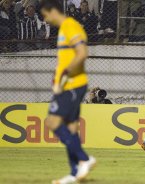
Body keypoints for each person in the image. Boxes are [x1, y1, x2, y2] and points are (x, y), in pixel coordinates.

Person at [39, 0, 96, 183]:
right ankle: (74, 173)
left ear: (52, 11)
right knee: (71, 128)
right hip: (67, 84)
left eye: (45, 16)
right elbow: (66, 59)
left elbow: (82, 52)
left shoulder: (70, 25)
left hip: (73, 84)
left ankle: (85, 159)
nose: (46, 20)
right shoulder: (63, 29)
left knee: (52, 121)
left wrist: (64, 74)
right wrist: (56, 78)